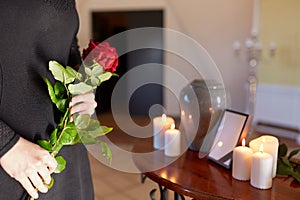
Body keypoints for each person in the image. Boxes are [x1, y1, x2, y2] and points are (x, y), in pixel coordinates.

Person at [0, 1, 96, 199]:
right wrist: (5, 145)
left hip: (63, 148)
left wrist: (82, 85)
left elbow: (68, 44)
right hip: (14, 160)